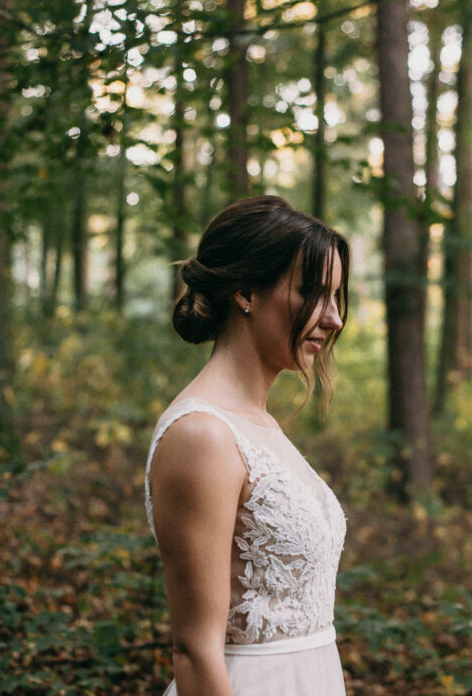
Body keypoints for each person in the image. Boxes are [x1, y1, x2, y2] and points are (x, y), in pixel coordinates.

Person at [144, 195, 351, 696]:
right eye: (312, 293)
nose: (333, 319)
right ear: (246, 293)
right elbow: (196, 652)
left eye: (336, 298)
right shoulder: (202, 436)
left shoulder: (259, 426)